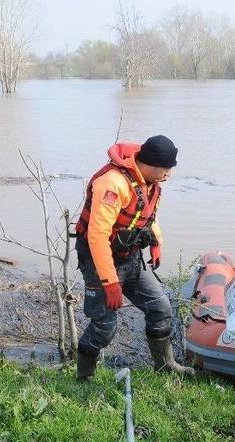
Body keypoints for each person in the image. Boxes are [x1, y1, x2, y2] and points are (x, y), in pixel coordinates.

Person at [74, 135, 195, 381]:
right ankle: (84, 377)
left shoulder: (149, 183)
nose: (169, 174)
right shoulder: (112, 183)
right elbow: (97, 236)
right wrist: (110, 282)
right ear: (150, 163)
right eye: (167, 168)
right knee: (105, 326)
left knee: (161, 309)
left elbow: (148, 214)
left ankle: (165, 365)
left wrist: (156, 243)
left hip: (130, 258)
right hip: (99, 263)